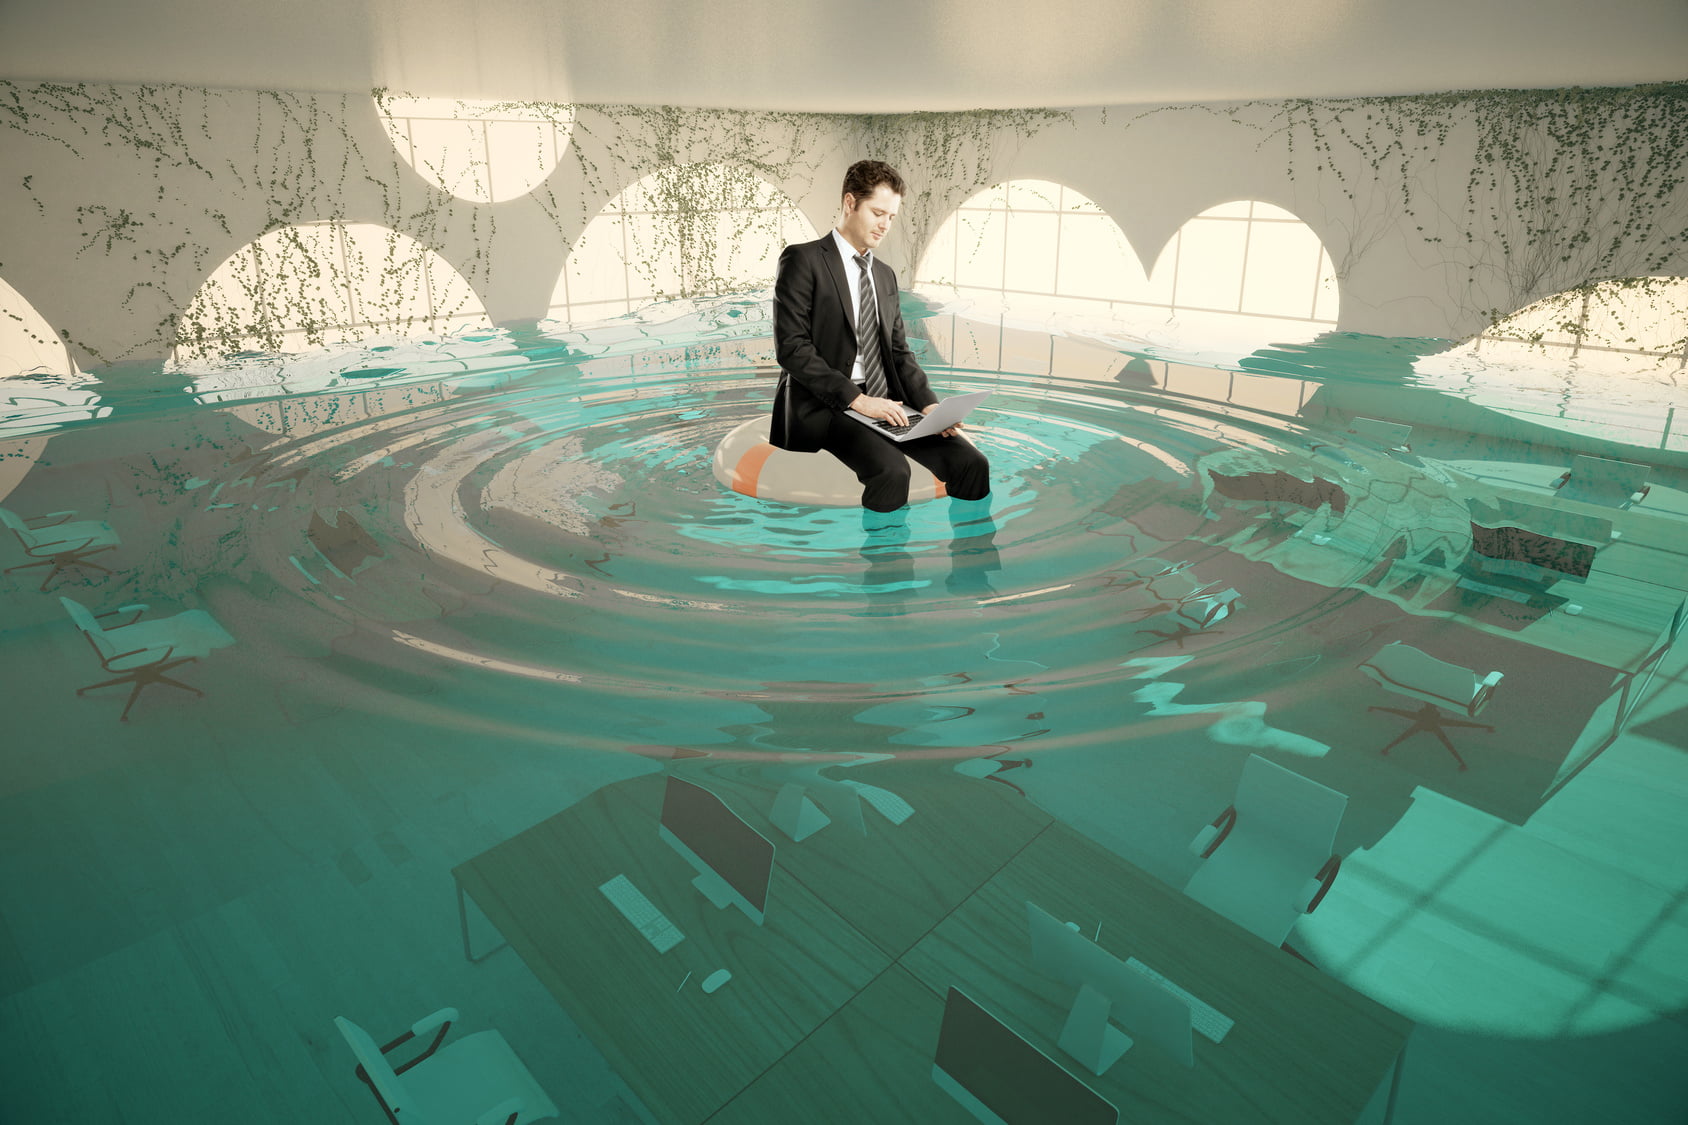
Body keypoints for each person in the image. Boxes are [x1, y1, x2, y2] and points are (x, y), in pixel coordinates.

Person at [771, 160, 991, 516]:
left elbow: (899, 352)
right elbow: (792, 349)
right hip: (827, 403)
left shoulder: (885, 276)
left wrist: (930, 407)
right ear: (849, 203)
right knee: (893, 470)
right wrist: (858, 400)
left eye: (891, 216)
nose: (885, 225)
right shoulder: (803, 260)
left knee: (973, 462)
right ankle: (885, 568)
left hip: (888, 403)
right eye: (877, 213)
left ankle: (971, 559)